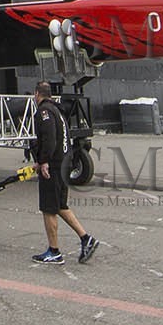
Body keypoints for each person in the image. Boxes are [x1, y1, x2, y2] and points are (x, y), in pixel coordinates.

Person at [30, 81, 98, 265]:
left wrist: (43, 161)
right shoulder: (58, 111)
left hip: (53, 166)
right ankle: (86, 238)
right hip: (64, 164)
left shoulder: (44, 112)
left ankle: (54, 251)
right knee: (60, 205)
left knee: (48, 208)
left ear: (37, 94)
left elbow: (49, 138)